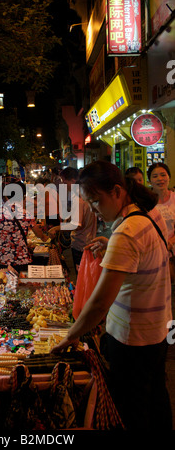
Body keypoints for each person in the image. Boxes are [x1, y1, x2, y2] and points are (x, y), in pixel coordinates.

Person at [51, 160, 173, 430]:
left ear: (117, 191)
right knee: (156, 399)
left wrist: (71, 335)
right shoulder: (150, 213)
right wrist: (111, 245)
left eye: (96, 201)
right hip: (158, 332)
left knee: (133, 410)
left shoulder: (127, 231)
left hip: (132, 338)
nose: (95, 210)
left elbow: (100, 302)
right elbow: (147, 257)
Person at [0, 181, 52, 271]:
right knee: (21, 284)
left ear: (6, 196)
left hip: (0, 260)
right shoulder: (26, 214)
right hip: (21, 259)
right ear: (22, 196)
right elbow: (38, 234)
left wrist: (3, 238)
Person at [49, 167, 97, 272]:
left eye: (65, 183)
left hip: (81, 246)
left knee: (82, 278)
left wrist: (56, 228)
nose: (64, 186)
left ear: (73, 181)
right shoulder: (86, 195)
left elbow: (76, 225)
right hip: (88, 242)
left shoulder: (78, 198)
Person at [147, 162, 175, 253]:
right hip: (153, 251)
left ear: (169, 177)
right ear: (150, 181)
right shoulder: (145, 202)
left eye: (163, 175)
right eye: (155, 176)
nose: (160, 179)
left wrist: (170, 242)